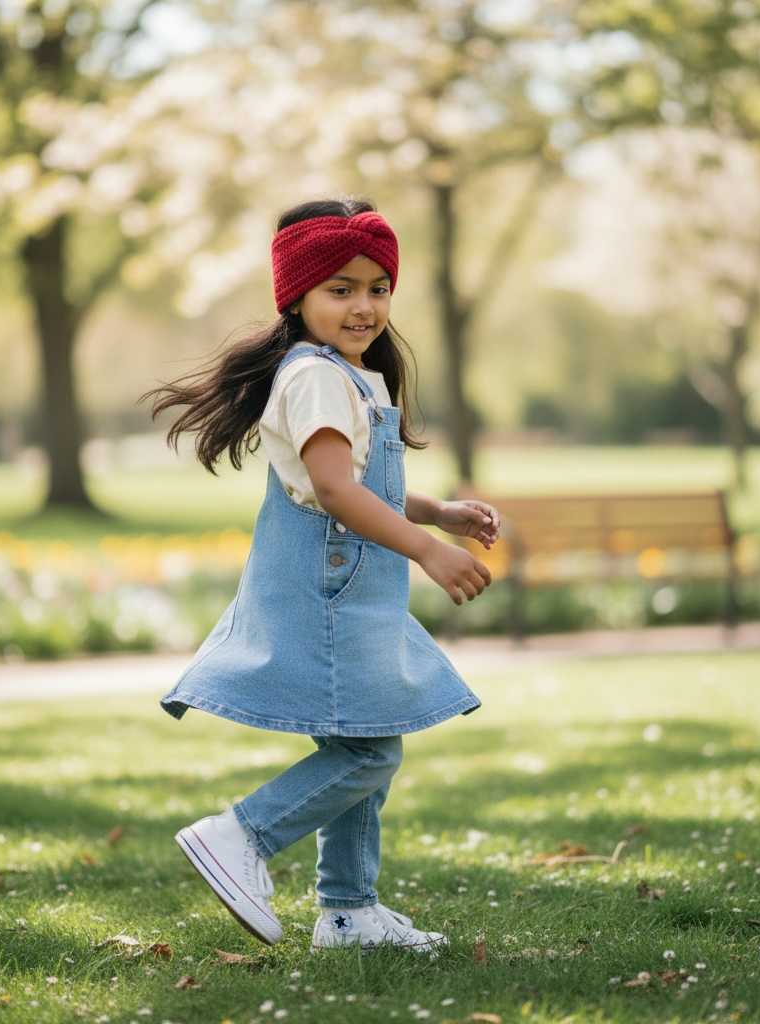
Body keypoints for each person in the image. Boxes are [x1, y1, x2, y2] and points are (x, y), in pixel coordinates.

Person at [142, 196, 499, 952]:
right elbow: (334, 491)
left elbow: (363, 479)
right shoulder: (313, 377)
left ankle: (348, 913)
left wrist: (436, 512)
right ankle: (240, 835)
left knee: (364, 740)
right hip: (329, 588)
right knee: (371, 752)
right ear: (296, 298)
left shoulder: (352, 374)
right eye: (340, 289)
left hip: (352, 590)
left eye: (377, 287)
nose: (363, 305)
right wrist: (426, 550)